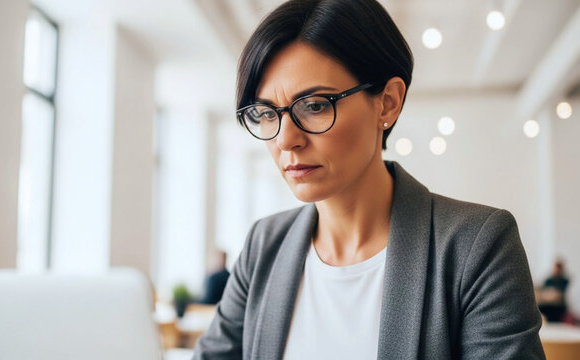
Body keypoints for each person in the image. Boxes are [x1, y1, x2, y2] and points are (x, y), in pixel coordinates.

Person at [192, 0, 544, 359]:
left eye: (314, 105)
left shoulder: (476, 247)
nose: (285, 140)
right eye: (267, 113)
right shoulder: (264, 245)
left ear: (387, 103)